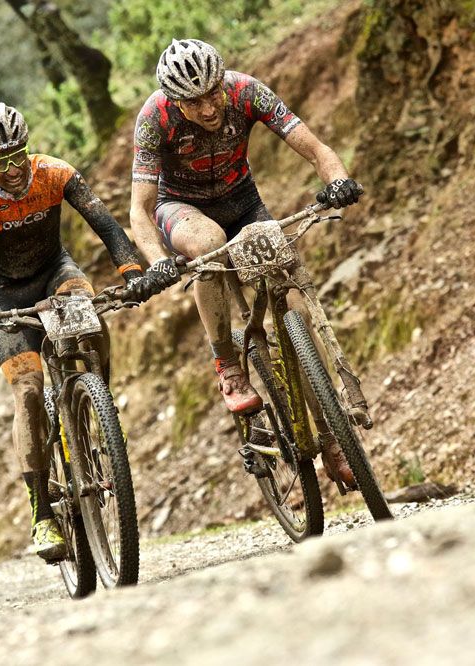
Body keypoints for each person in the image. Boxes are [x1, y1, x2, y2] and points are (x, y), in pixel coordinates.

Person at [127, 39, 363, 486]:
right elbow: (139, 209)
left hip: (243, 200)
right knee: (210, 245)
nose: (209, 107)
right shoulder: (154, 118)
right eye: (193, 102)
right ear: (175, 101)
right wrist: (157, 261)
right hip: (180, 207)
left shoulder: (245, 91)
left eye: (212, 92)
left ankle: (333, 441)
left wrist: (339, 180)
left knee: (296, 312)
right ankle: (228, 366)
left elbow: (315, 148)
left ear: (223, 80)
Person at [0, 103, 156, 560]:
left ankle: (95, 402)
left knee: (91, 320)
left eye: (17, 155)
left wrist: (132, 269)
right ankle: (41, 514)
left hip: (56, 272)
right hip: (3, 295)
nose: (13, 169)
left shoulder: (55, 174)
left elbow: (106, 225)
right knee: (28, 392)